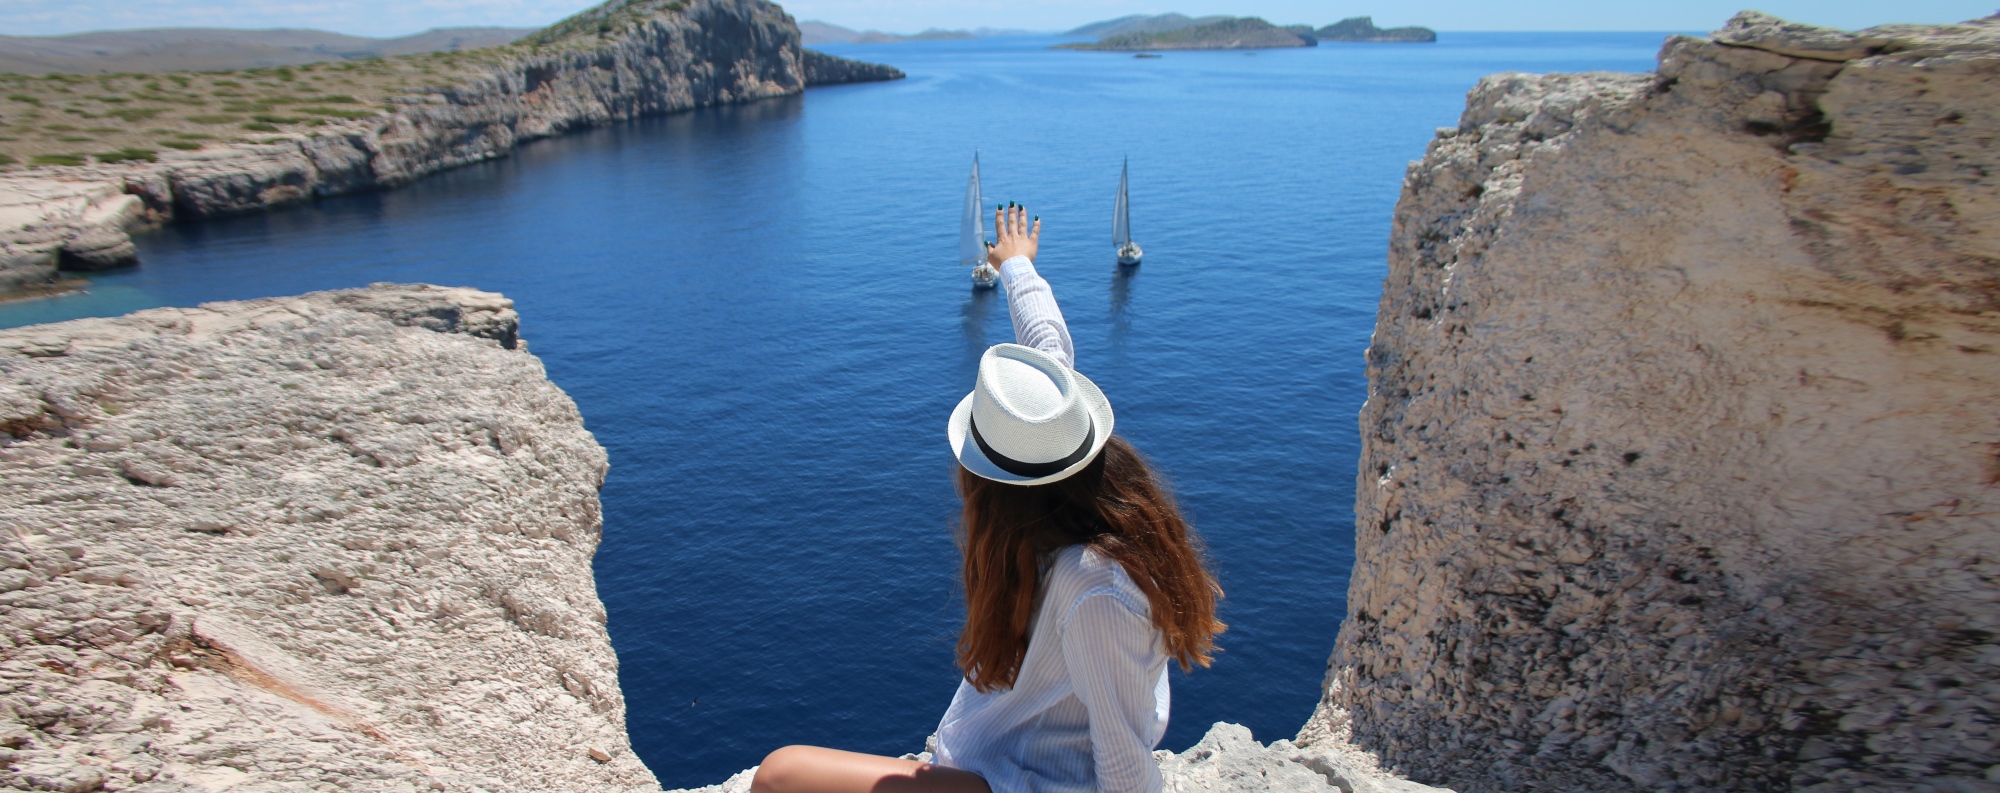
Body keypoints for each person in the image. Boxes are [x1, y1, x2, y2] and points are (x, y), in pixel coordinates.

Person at [751, 204, 1225, 793]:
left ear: (995, 490)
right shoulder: (1069, 476)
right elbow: (1047, 348)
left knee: (779, 776)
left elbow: (1127, 770)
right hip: (993, 763)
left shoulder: (1094, 588)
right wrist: (1018, 267)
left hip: (1017, 784)